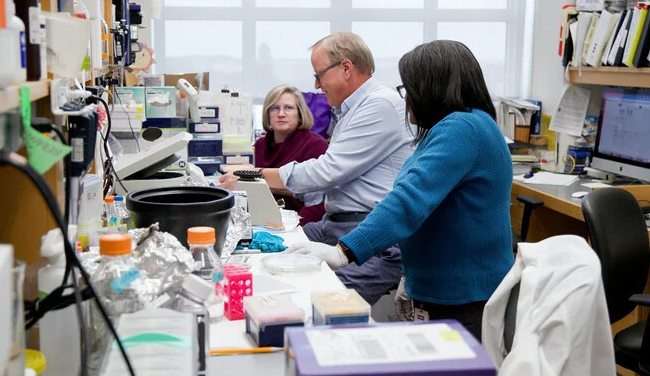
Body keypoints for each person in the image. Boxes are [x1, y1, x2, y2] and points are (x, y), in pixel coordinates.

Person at [286, 40, 514, 341]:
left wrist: (344, 251)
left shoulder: (462, 128)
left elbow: (408, 201)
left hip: (463, 300)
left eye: (409, 89)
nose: (406, 99)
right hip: (442, 294)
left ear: (433, 88)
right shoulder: (456, 127)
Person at [221, 32, 414, 305]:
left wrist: (253, 174)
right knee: (262, 261)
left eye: (319, 74)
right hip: (334, 225)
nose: (316, 84)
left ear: (346, 68)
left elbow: (326, 172)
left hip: (368, 235)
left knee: (311, 305)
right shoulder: (353, 110)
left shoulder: (379, 104)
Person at [255, 85, 328, 226]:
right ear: (267, 114)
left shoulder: (315, 145)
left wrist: (292, 228)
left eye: (288, 108)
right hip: (265, 222)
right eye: (274, 108)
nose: (281, 114)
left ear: (300, 113)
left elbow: (319, 203)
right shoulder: (260, 145)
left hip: (300, 225)